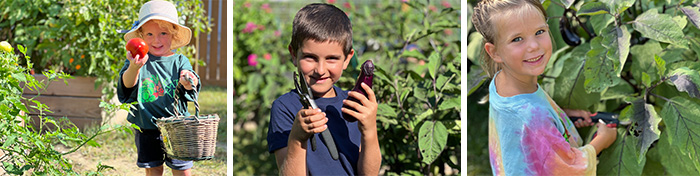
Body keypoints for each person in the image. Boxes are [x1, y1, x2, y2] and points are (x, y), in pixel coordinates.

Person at [471, 0, 617, 175]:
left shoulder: (503, 81)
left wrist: (563, 115)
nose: (534, 46)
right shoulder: (534, 119)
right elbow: (570, 168)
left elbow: (529, 114)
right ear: (494, 52)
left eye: (539, 32)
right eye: (517, 39)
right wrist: (601, 141)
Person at [266, 3, 381, 175]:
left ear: (347, 59)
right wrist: (297, 139)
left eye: (332, 59)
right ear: (293, 55)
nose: (320, 70)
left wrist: (370, 129)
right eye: (310, 57)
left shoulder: (354, 105)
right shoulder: (285, 107)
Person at [117, 1, 200, 175]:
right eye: (149, 34)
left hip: (176, 127)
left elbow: (191, 79)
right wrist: (134, 67)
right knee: (153, 169)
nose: (157, 40)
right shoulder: (138, 59)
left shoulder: (179, 61)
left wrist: (188, 80)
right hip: (147, 126)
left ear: (173, 34)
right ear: (140, 35)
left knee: (182, 170)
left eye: (163, 33)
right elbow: (127, 85)